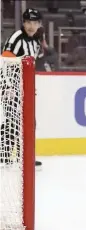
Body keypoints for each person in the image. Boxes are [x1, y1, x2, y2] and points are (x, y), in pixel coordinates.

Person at [1, 8, 44, 170]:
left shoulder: (36, 41)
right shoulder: (16, 38)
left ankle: (25, 157)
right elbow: (4, 61)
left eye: (35, 23)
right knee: (12, 121)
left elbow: (30, 67)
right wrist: (7, 87)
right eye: (28, 22)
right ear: (23, 23)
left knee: (29, 123)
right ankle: (4, 156)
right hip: (11, 88)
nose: (31, 26)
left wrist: (31, 86)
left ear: (39, 24)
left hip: (24, 89)